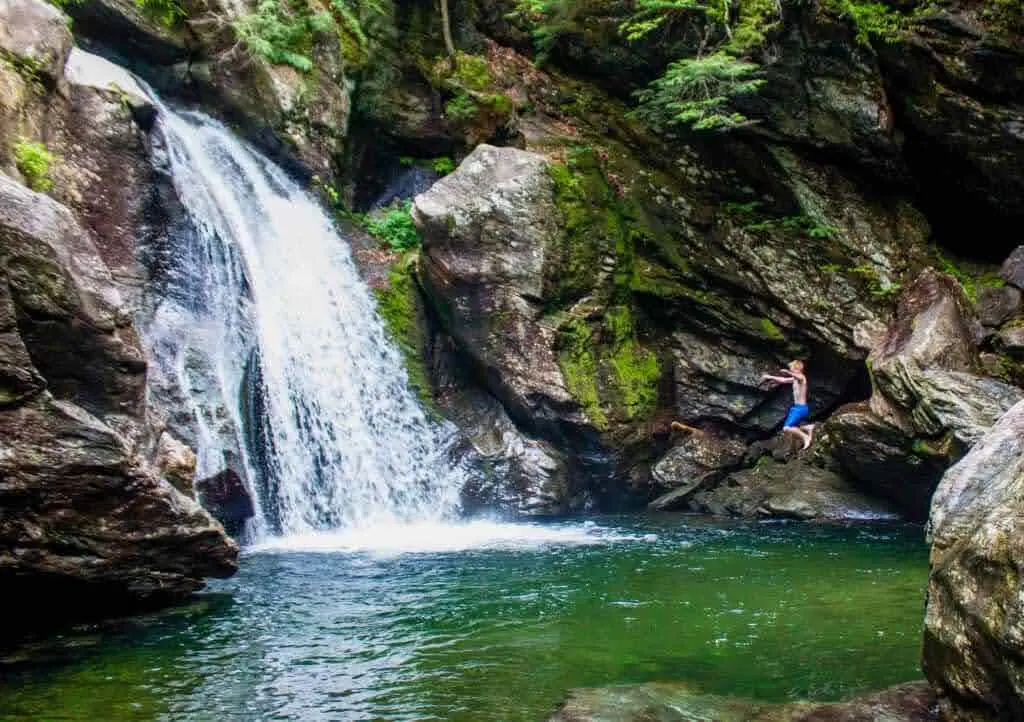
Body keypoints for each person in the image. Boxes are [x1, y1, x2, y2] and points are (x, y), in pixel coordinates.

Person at [761, 360, 814, 450]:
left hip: (800, 409)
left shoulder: (802, 377)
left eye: (791, 368)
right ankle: (808, 427)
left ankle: (806, 437)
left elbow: (799, 377)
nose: (790, 370)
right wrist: (770, 377)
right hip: (798, 408)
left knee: (787, 428)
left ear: (797, 368)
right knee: (793, 427)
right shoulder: (794, 380)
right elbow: (783, 380)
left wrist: (788, 372)